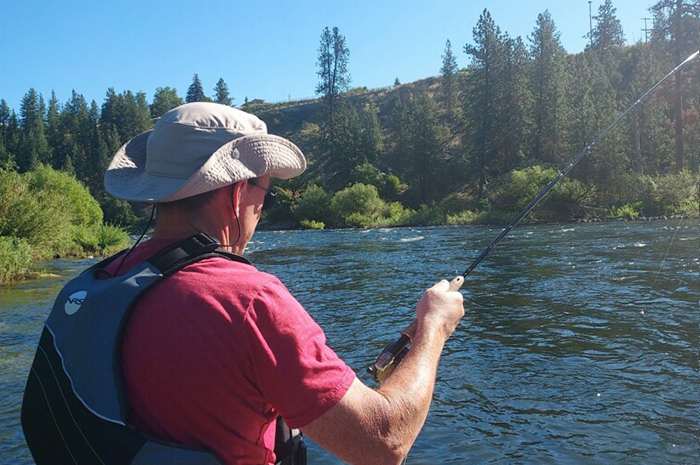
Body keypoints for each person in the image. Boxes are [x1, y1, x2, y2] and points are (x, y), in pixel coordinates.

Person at [21, 102, 464, 465]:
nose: (261, 207)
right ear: (237, 192)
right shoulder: (249, 300)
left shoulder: (92, 285)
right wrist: (432, 328)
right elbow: (383, 443)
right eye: (265, 192)